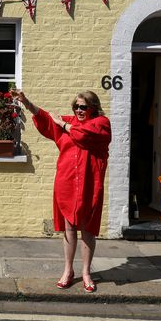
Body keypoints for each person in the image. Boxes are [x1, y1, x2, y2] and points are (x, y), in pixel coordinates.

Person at [12, 89, 111, 293]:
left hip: (89, 183)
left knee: (88, 228)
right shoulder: (67, 122)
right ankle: (68, 271)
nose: (78, 110)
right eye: (76, 106)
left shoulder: (101, 123)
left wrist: (64, 125)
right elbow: (47, 119)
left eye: (83, 107)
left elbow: (84, 135)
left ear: (93, 107)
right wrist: (28, 103)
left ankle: (86, 272)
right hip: (66, 180)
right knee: (69, 227)